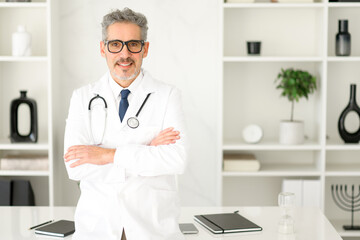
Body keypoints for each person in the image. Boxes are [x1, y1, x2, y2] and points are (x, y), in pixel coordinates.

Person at [63, 8, 188, 240]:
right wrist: (147, 151)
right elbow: (75, 166)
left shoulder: (167, 96)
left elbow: (176, 160)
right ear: (103, 49)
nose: (124, 54)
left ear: (145, 49)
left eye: (133, 44)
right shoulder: (82, 98)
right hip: (97, 228)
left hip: (152, 228)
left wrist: (106, 155)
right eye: (115, 45)